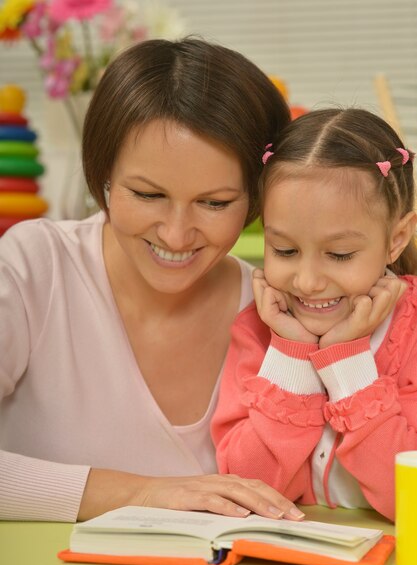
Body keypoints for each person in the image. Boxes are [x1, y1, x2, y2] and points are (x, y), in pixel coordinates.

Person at [0, 37, 306, 523]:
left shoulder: (280, 311)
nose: (176, 234)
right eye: (147, 194)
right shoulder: (38, 268)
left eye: (214, 203)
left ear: (255, 200)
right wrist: (139, 493)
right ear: (102, 176)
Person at [211, 107, 417, 521]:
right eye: (284, 250)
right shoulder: (258, 329)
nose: (306, 282)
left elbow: (408, 501)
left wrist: (348, 362)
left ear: (396, 239)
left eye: (339, 254)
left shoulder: (409, 336)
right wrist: (291, 354)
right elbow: (245, 490)